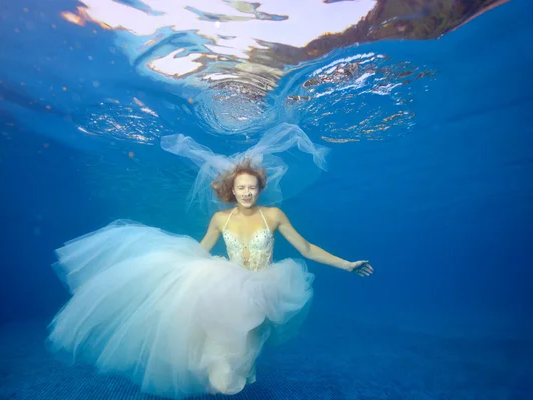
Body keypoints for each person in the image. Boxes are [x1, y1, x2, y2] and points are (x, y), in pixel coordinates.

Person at [47, 124, 373, 399]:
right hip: (226, 285)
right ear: (230, 189)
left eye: (252, 187)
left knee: (245, 358)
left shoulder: (273, 215)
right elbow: (201, 250)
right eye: (240, 187)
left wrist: (346, 264)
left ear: (260, 187)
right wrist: (166, 270)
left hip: (266, 289)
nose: (246, 192)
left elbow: (306, 248)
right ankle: (215, 379)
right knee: (221, 363)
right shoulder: (220, 219)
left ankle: (223, 380)